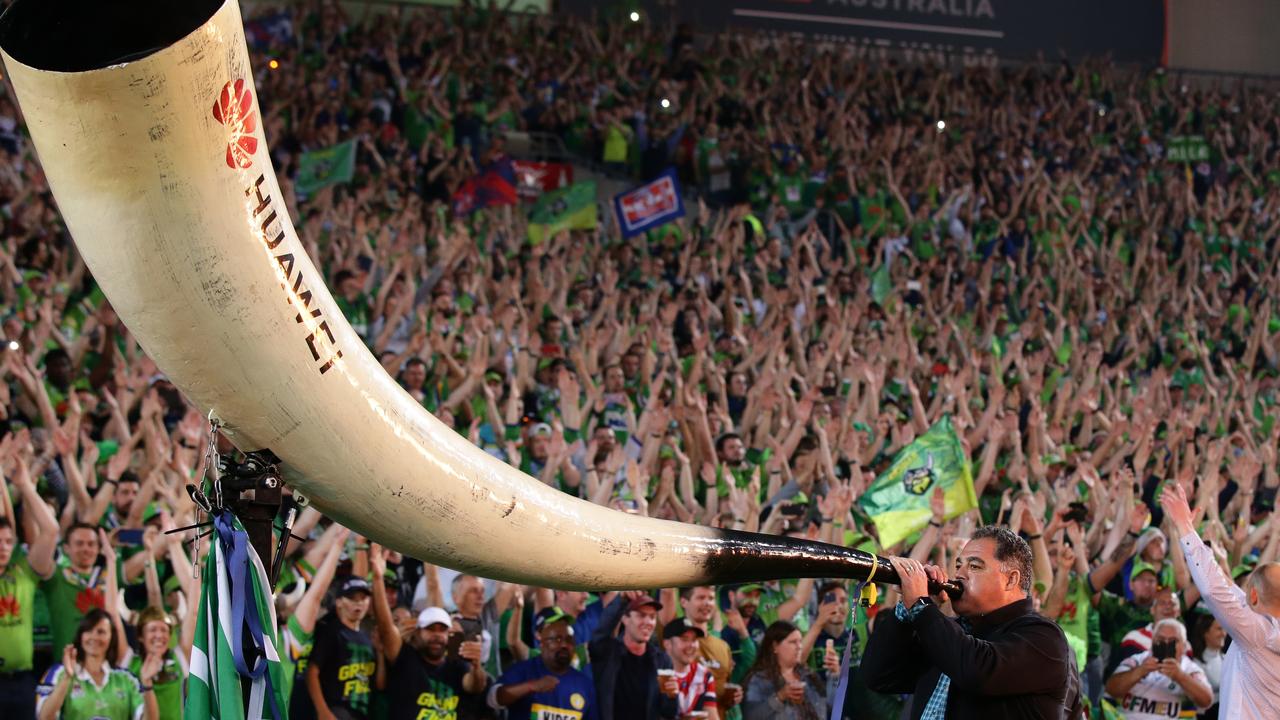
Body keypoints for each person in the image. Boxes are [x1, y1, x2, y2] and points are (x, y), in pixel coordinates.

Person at [863, 526, 1079, 718]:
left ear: (1011, 579)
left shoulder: (1044, 636)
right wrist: (905, 610)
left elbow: (977, 670)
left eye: (974, 567)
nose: (959, 574)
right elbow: (879, 676)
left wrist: (921, 605)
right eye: (958, 565)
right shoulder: (953, 633)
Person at [1160, 482, 1280, 718]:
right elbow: (1231, 592)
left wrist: (1184, 527)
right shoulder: (1267, 628)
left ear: (1254, 595)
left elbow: (1215, 591)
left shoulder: (1258, 633)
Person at [371, 548, 487, 720]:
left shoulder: (456, 665)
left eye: (442, 630)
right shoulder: (405, 659)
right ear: (417, 632)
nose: (437, 635)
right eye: (430, 629)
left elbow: (475, 686)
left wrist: (477, 667)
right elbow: (386, 626)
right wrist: (378, 578)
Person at [0, 458, 59, 719]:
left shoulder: (23, 571)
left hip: (22, 681)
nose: (3, 546)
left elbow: (50, 530)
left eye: (8, 541)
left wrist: (25, 486)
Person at [36, 608, 159, 720]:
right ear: (81, 635)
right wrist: (67, 678)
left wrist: (147, 683)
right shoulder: (58, 673)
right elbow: (44, 717)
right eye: (88, 630)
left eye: (101, 632)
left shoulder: (126, 679)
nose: (94, 637)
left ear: (112, 637)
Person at [495, 606, 598, 720]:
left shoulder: (585, 684)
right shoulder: (524, 669)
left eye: (569, 640)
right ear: (541, 639)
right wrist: (531, 686)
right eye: (557, 639)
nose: (564, 645)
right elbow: (493, 698)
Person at [588, 593, 679, 720]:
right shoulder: (607, 653)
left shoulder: (662, 660)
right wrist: (621, 599)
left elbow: (669, 712)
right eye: (641, 615)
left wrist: (672, 696)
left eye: (652, 617)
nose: (648, 622)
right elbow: (602, 631)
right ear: (625, 619)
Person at [1104, 618, 1213, 719]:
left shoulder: (1190, 669)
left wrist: (1180, 677)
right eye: (1161, 639)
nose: (1166, 644)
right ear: (1152, 642)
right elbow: (1111, 689)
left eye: (1173, 641)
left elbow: (1206, 701)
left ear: (1184, 646)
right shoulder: (1136, 661)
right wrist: (1140, 671)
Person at [307, 576, 376, 720]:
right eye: (352, 598)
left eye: (363, 598)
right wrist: (323, 711)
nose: (359, 603)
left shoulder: (368, 638)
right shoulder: (331, 632)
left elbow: (378, 684)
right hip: (336, 710)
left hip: (362, 712)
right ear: (339, 602)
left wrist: (380, 652)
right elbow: (312, 672)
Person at [740, 620, 829, 720]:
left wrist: (835, 675)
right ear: (775, 646)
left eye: (800, 641)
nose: (799, 647)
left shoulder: (808, 675)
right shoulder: (758, 679)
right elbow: (751, 716)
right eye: (793, 642)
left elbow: (831, 705)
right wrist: (780, 697)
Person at [661, 617, 719, 719]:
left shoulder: (704, 675)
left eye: (694, 639)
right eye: (684, 639)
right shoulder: (658, 675)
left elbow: (712, 717)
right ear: (667, 644)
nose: (691, 645)